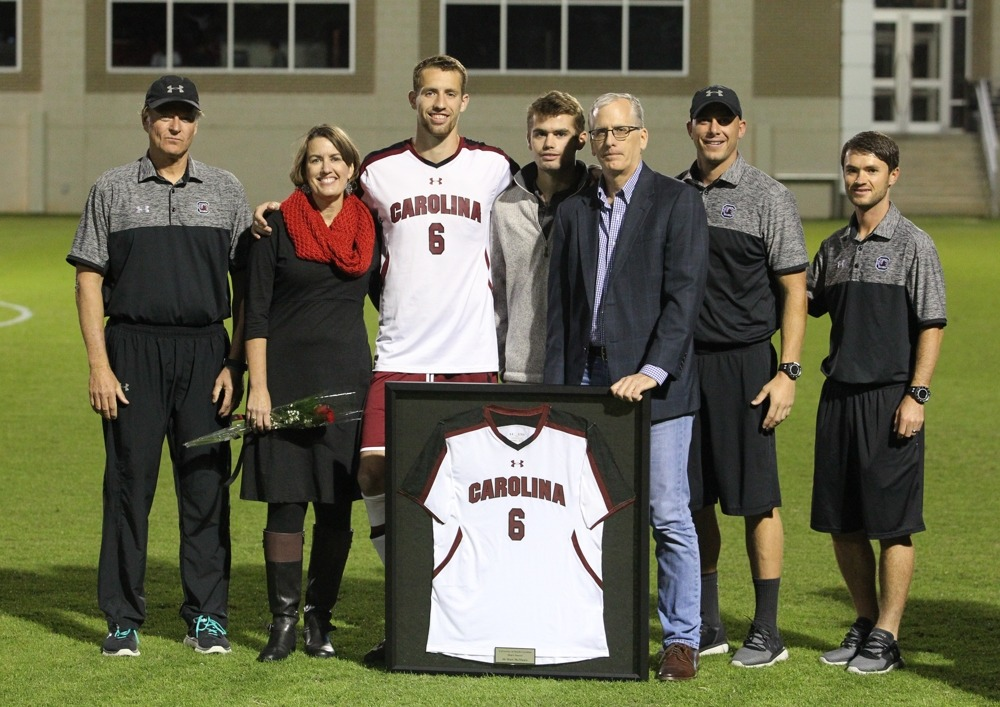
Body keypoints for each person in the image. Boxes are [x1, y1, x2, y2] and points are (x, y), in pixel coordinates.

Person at [252, 55, 516, 663]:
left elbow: (548, 194)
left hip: (472, 355)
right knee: (370, 472)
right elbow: (332, 215)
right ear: (413, 98)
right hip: (397, 353)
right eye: (429, 92)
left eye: (450, 94)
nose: (439, 104)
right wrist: (274, 210)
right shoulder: (378, 172)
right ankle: (412, 591)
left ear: (465, 102)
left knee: (469, 490)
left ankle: (467, 609)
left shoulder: (495, 167)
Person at [68, 75, 252, 657]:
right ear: (144, 118)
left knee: (204, 489)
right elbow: (88, 279)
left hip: (205, 354)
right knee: (128, 487)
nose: (175, 125)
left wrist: (234, 363)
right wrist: (99, 364)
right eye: (164, 114)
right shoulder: (112, 188)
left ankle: (207, 615)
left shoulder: (225, 189)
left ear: (197, 122)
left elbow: (247, 288)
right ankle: (123, 617)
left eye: (185, 115)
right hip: (132, 352)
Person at [545, 93, 709, 681]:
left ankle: (681, 641)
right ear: (589, 142)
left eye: (622, 131)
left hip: (657, 386)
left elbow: (683, 298)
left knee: (667, 513)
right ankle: (599, 629)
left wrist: (653, 370)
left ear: (643, 137)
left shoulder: (677, 202)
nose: (611, 141)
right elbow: (561, 310)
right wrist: (557, 390)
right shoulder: (573, 212)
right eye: (601, 133)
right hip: (586, 381)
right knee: (591, 512)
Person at [678, 86, 808, 668]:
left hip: (748, 364)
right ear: (690, 129)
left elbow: (795, 291)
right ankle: (707, 624)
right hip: (683, 367)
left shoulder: (768, 196)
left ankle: (767, 630)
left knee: (757, 500)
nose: (713, 130)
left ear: (740, 128)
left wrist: (788, 372)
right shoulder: (673, 194)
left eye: (723, 120)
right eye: (704, 120)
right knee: (693, 499)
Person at [808, 131, 946, 675]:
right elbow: (803, 302)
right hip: (838, 396)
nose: (859, 178)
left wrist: (917, 394)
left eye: (870, 169)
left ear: (893, 175)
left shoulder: (915, 244)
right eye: (851, 169)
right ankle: (864, 622)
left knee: (892, 523)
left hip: (892, 400)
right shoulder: (834, 247)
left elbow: (932, 325)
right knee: (842, 522)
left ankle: (888, 635)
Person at [241, 124, 379, 662]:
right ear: (304, 167)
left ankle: (318, 621)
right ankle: (281, 622)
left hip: (347, 381)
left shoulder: (369, 227)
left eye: (337, 159)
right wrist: (260, 387)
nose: (327, 168)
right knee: (286, 501)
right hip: (284, 382)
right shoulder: (274, 225)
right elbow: (256, 314)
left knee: (336, 507)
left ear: (351, 168)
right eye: (317, 159)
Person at [491, 90, 590, 383]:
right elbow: (498, 289)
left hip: (582, 372)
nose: (549, 143)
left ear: (581, 139)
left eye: (561, 134)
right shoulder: (505, 205)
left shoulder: (597, 202)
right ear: (528, 138)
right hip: (519, 372)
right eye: (540, 134)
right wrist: (499, 361)